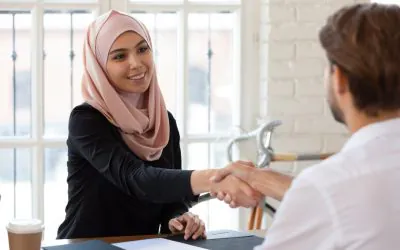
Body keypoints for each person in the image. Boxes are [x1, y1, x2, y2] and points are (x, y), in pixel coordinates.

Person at [57, 10, 262, 240]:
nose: (136, 63)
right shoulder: (86, 120)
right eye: (119, 56)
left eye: (142, 49)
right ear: (99, 66)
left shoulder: (164, 122)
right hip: (83, 246)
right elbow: (137, 178)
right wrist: (217, 179)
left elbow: (170, 201)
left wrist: (178, 217)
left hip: (142, 246)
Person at [212, 3, 400, 249]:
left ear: (339, 79)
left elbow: (334, 197)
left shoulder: (329, 185)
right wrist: (259, 178)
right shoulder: (338, 186)